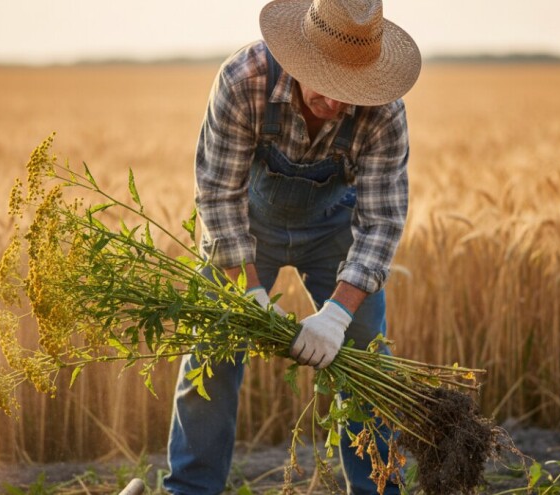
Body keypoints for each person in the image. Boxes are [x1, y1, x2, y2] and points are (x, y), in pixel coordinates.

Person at [164, 0, 421, 493]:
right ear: (300, 59)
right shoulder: (244, 80)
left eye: (353, 91)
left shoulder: (384, 113)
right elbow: (218, 195)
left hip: (333, 230)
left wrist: (337, 317)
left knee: (365, 357)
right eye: (329, 83)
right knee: (211, 355)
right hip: (246, 229)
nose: (340, 104)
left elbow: (383, 222)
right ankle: (190, 489)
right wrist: (249, 293)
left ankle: (378, 488)